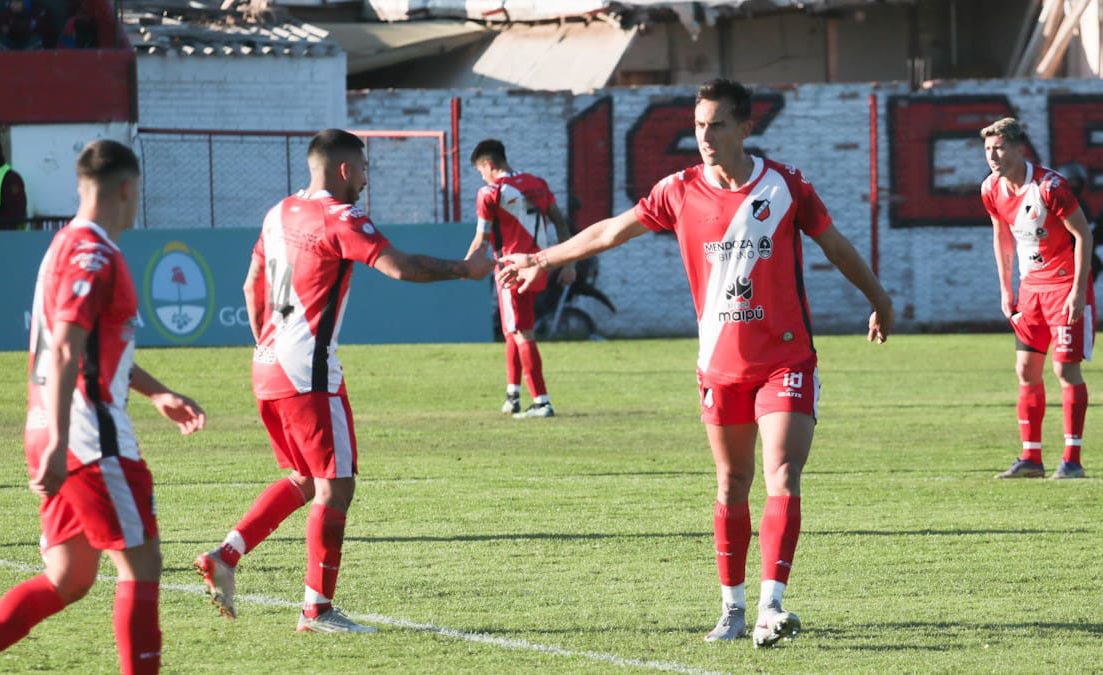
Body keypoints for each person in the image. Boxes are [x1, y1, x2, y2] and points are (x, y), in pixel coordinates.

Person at [498, 79, 892, 647]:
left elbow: (836, 246)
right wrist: (541, 255)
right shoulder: (678, 190)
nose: (704, 135)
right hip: (720, 364)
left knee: (783, 472)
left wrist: (879, 300)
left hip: (786, 359)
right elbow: (611, 230)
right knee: (732, 482)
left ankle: (770, 607)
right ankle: (731, 609)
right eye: (699, 124)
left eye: (717, 124)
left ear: (745, 129)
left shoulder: (784, 186)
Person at [0, 140, 207, 675]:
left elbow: (91, 350)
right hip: (89, 436)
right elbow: (68, 346)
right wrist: (66, 444)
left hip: (48, 425)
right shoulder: (96, 254)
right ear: (126, 188)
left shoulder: (61, 247)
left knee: (68, 576)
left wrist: (156, 391)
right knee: (142, 566)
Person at [192, 129, 493, 633]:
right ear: (345, 170)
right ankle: (317, 609)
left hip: (268, 364)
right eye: (365, 171)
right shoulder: (341, 216)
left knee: (305, 480)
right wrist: (467, 269)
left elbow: (250, 285)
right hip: (307, 370)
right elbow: (400, 267)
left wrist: (267, 340)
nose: (367, 182)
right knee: (336, 487)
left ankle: (227, 554)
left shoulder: (278, 211)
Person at [982, 119, 1093, 480]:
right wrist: (1005, 288)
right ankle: (1031, 458)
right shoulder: (990, 189)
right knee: (1026, 371)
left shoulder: (1050, 186)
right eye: (987, 149)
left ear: (1019, 149)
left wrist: (1078, 291)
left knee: (1065, 369)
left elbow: (1083, 236)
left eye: (999, 148)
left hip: (1063, 288)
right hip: (1030, 291)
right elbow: (1001, 236)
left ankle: (1072, 459)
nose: (992, 155)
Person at [463, 139, 575, 418]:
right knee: (512, 329)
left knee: (522, 332)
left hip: (511, 270)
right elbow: (560, 222)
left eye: (480, 171)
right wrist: (568, 263)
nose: (482, 177)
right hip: (540, 266)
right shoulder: (537, 183)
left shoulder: (490, 192)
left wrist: (464, 267)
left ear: (488, 166)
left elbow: (482, 238)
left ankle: (541, 401)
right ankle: (512, 395)